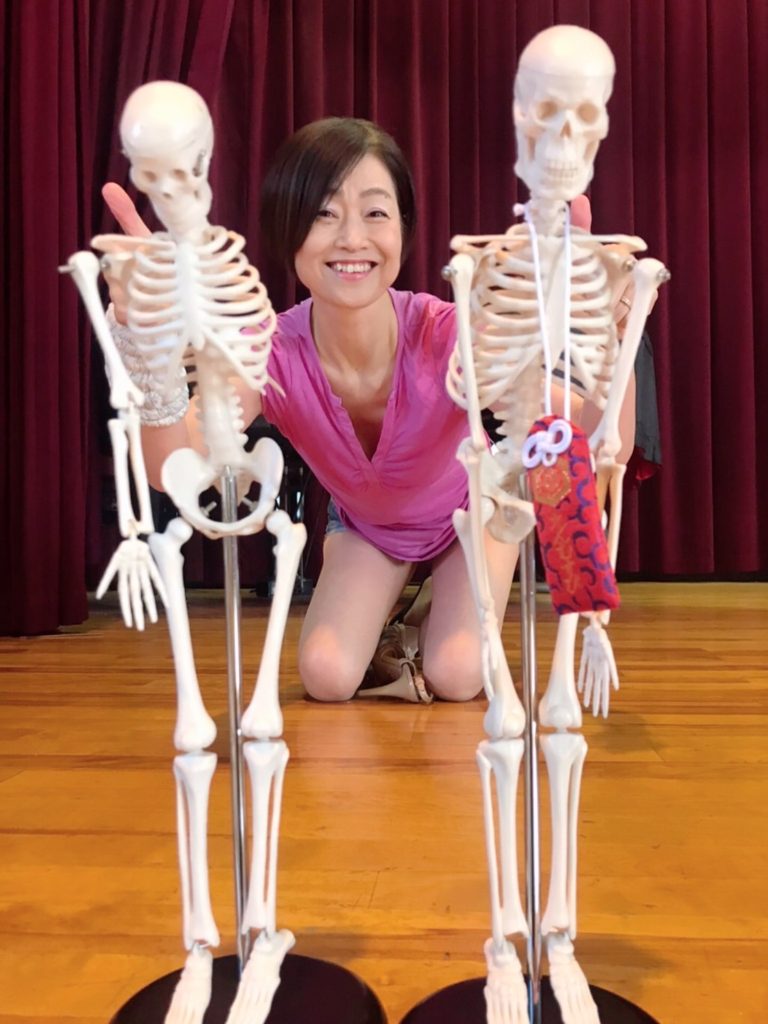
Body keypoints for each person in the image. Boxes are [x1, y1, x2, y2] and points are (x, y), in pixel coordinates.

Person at [102, 117, 635, 704]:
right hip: (369, 527)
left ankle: (435, 608)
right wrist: (145, 351)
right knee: (327, 676)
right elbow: (172, 467)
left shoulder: (450, 333)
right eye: (323, 214)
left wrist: (610, 339)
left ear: (404, 229)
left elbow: (589, 441)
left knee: (457, 675)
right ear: (287, 231)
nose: (352, 238)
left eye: (376, 212)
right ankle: (399, 612)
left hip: (471, 515)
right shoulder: (266, 353)